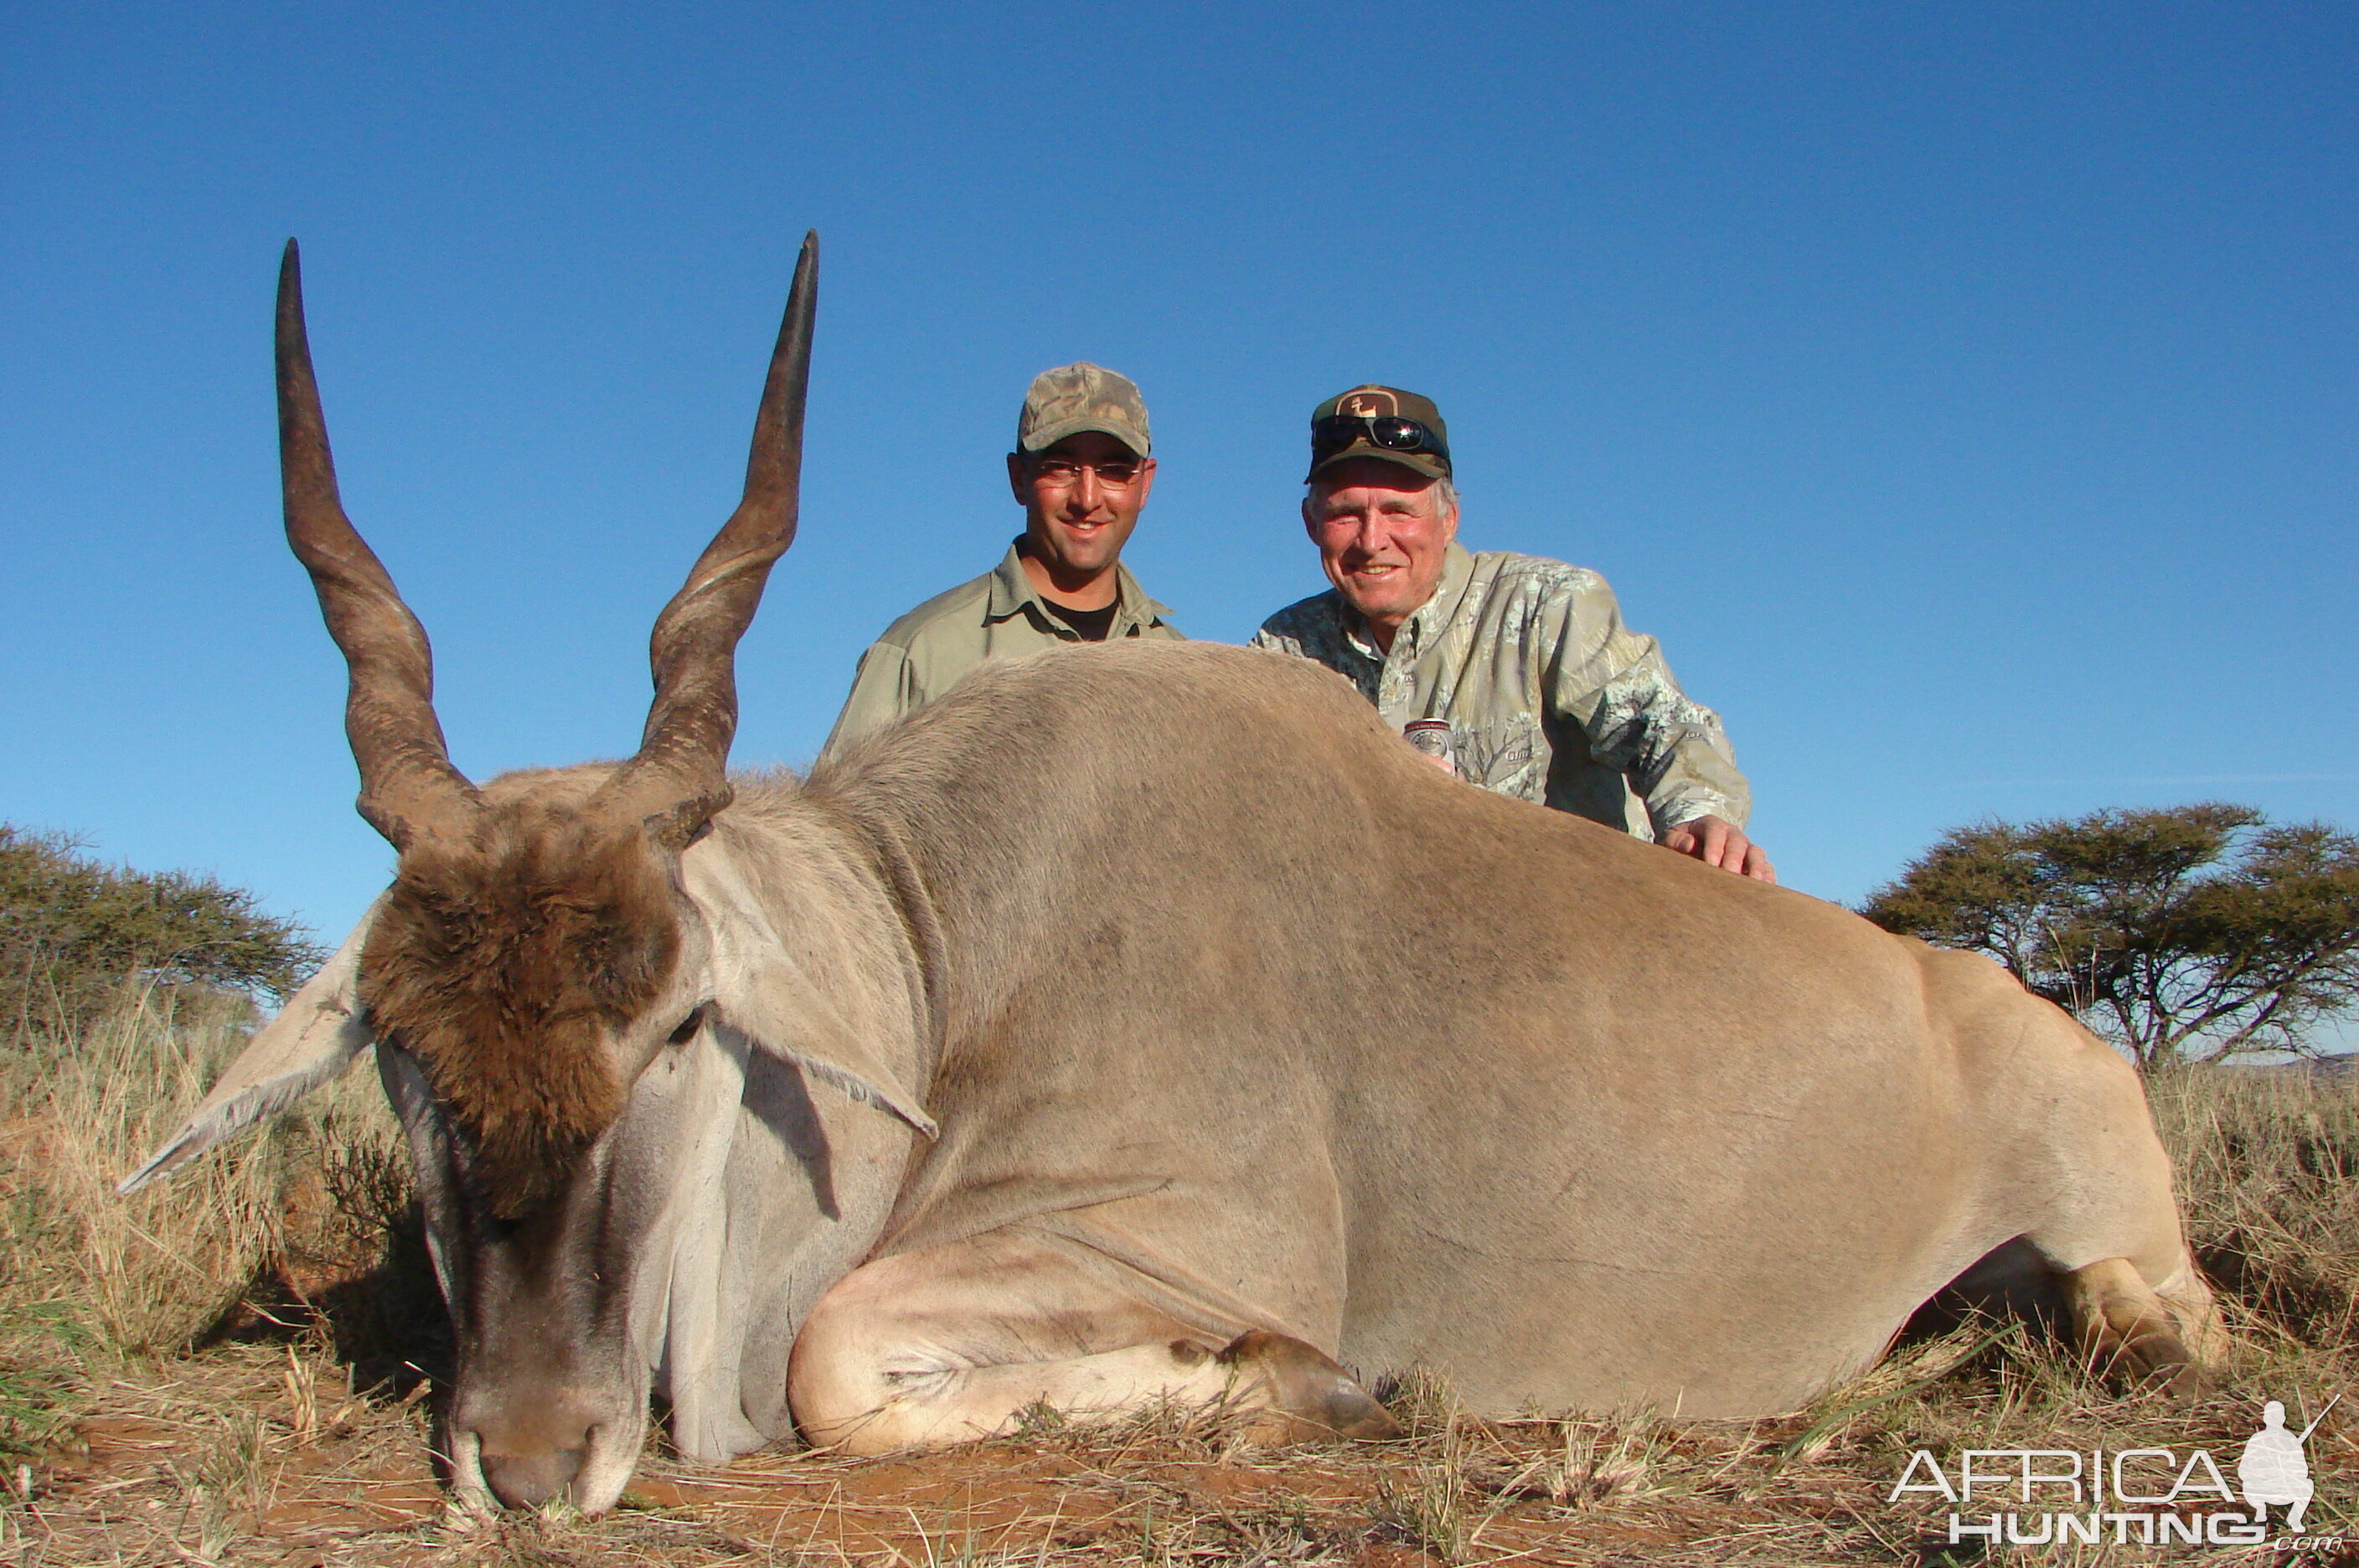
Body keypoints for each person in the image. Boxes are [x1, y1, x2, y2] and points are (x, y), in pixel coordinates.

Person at [1251, 384, 1773, 881]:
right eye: (1346, 514)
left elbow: (1661, 724)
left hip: (1577, 921)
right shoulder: (1283, 648)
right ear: (1311, 523)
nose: (1372, 540)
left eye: (1398, 511)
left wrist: (1699, 814)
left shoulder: (1549, 603)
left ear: (1449, 517)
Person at [821, 364, 1184, 758]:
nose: (1087, 498)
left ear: (1145, 484)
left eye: (1113, 471)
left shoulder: (1184, 672)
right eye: (1060, 468)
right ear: (1018, 477)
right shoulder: (921, 651)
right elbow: (840, 818)